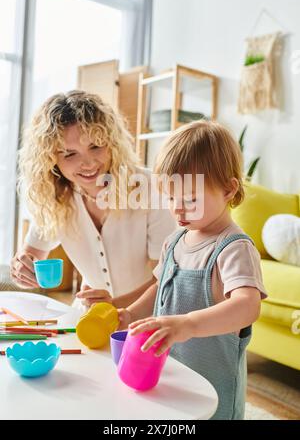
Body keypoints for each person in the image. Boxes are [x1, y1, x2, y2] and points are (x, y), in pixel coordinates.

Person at [118, 120, 267, 420]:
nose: (178, 209)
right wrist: (131, 313)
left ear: (228, 189)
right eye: (171, 198)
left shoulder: (233, 248)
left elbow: (247, 305)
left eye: (190, 199)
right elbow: (158, 287)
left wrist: (189, 324)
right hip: (173, 376)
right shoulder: (174, 241)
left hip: (213, 392)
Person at [11, 90, 175, 311]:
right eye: (70, 154)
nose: (87, 163)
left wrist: (115, 307)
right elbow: (31, 257)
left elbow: (166, 281)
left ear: (112, 143)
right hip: (88, 318)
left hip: (146, 320)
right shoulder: (55, 199)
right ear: (51, 159)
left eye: (96, 146)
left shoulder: (151, 189)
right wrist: (22, 268)